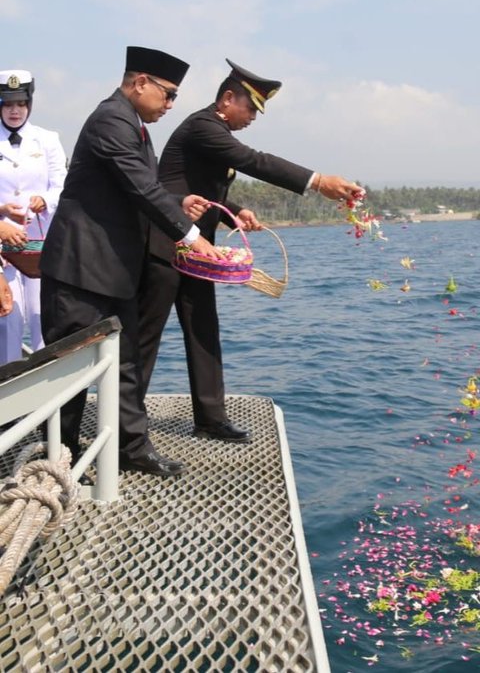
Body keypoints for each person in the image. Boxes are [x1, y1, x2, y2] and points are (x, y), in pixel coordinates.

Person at [138, 58, 362, 443]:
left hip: (197, 250)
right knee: (146, 335)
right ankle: (126, 424)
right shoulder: (204, 126)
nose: (255, 117)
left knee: (204, 330)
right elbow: (253, 160)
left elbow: (206, 188)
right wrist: (317, 180)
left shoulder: (212, 129)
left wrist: (235, 212)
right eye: (252, 107)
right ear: (227, 98)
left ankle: (210, 419)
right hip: (165, 245)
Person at [40, 46, 223, 478]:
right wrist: (193, 237)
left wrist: (179, 201)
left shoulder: (134, 125)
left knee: (126, 364)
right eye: (168, 94)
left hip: (115, 273)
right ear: (140, 83)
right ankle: (59, 458)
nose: (172, 104)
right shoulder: (111, 120)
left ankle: (132, 448)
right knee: (68, 371)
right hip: (79, 271)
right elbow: (141, 188)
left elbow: (138, 189)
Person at [0, 70, 67, 364]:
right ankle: (7, 399)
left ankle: (46, 399)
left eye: (21, 104)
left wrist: (46, 200)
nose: (15, 111)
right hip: (3, 246)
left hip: (40, 243)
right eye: (7, 104)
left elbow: (62, 185)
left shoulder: (47, 139)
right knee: (7, 319)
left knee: (44, 316)